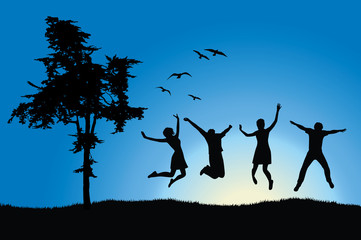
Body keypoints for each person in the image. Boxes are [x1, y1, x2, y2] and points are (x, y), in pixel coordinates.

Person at [290, 121, 346, 191]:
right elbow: (302, 127)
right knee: (305, 169)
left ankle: (329, 181)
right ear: (318, 127)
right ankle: (298, 185)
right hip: (312, 153)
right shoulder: (316, 132)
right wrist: (295, 124)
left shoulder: (316, 132)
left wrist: (339, 130)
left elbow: (331, 131)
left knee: (323, 168)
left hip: (317, 153)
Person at [239, 103, 282, 190]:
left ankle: (270, 181)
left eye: (261, 124)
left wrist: (277, 111)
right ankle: (253, 176)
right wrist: (241, 130)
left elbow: (275, 122)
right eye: (259, 124)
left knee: (264, 169)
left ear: (262, 125)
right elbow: (247, 135)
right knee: (255, 167)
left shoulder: (266, 131)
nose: (259, 125)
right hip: (259, 150)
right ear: (258, 125)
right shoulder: (258, 132)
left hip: (265, 150)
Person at [141, 114, 187, 188]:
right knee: (174, 174)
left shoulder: (172, 138)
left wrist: (178, 120)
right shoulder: (170, 139)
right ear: (168, 133)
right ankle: (156, 174)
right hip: (177, 156)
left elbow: (177, 128)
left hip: (179, 155)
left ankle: (164, 177)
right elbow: (156, 140)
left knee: (177, 174)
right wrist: (146, 137)